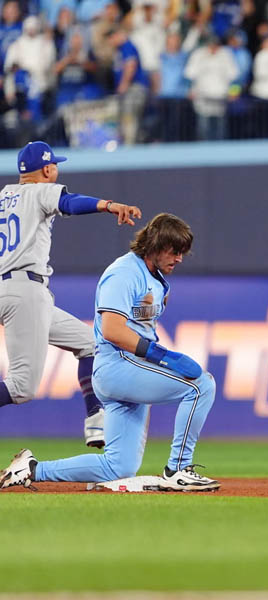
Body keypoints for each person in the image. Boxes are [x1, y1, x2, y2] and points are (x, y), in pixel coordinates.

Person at [0, 213, 220, 493]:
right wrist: (163, 356)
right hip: (118, 365)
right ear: (154, 245)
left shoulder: (156, 277)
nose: (179, 258)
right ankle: (177, 469)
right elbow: (112, 330)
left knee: (119, 467)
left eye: (182, 253)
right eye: (174, 251)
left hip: (129, 368)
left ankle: (31, 469)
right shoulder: (124, 273)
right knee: (201, 386)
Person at [0, 141, 141, 448]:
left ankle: (95, 421)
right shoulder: (40, 191)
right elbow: (70, 202)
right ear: (48, 169)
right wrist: (108, 205)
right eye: (56, 166)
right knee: (22, 387)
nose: (57, 170)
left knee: (91, 344)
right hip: (25, 290)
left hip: (11, 288)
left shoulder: (3, 197)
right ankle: (95, 421)